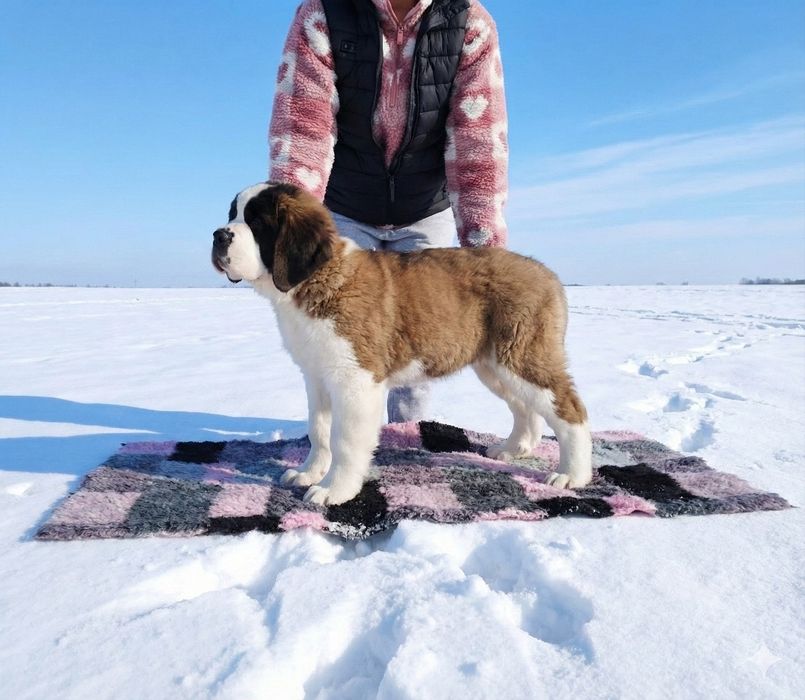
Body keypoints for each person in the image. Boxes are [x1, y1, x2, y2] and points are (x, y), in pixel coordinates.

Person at [268, 0, 508, 422]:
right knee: (335, 340)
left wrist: (486, 252)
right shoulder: (323, 14)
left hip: (423, 208)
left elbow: (478, 142)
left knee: (418, 339)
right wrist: (292, 228)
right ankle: (335, 450)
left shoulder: (471, 24)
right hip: (343, 208)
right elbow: (303, 125)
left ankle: (405, 446)